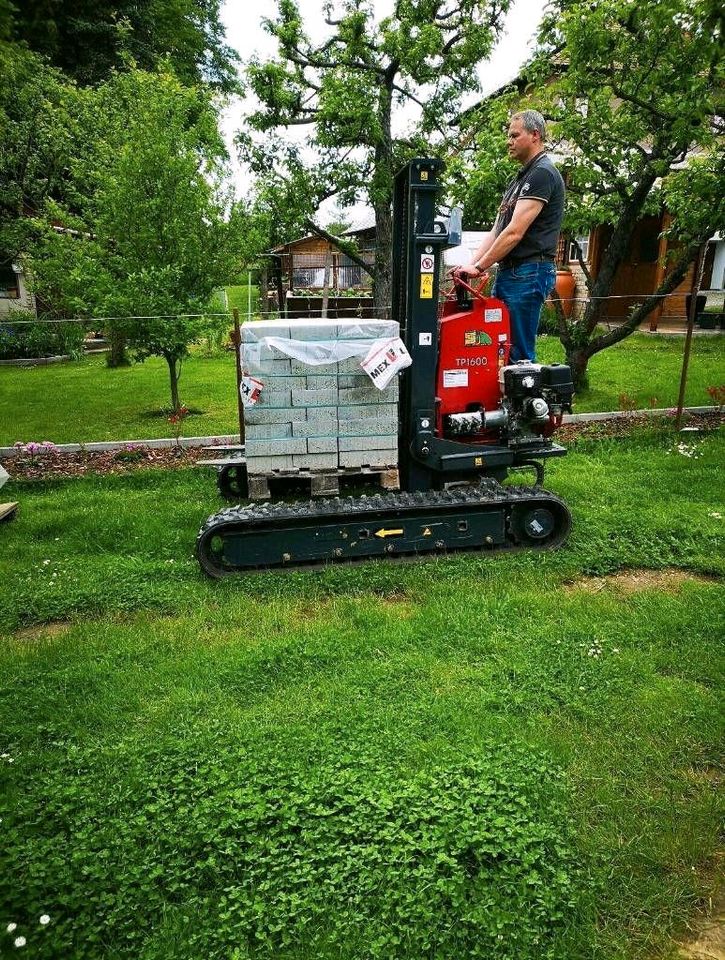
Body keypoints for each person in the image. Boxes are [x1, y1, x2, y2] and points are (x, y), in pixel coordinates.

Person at [457, 109, 565, 362]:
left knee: (518, 353)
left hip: (528, 271)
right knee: (501, 348)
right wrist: (471, 266)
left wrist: (481, 266)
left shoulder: (542, 174)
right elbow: (497, 230)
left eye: (515, 135)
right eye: (509, 135)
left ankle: (531, 401)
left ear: (535, 135)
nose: (509, 141)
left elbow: (515, 233)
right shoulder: (517, 180)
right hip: (511, 273)